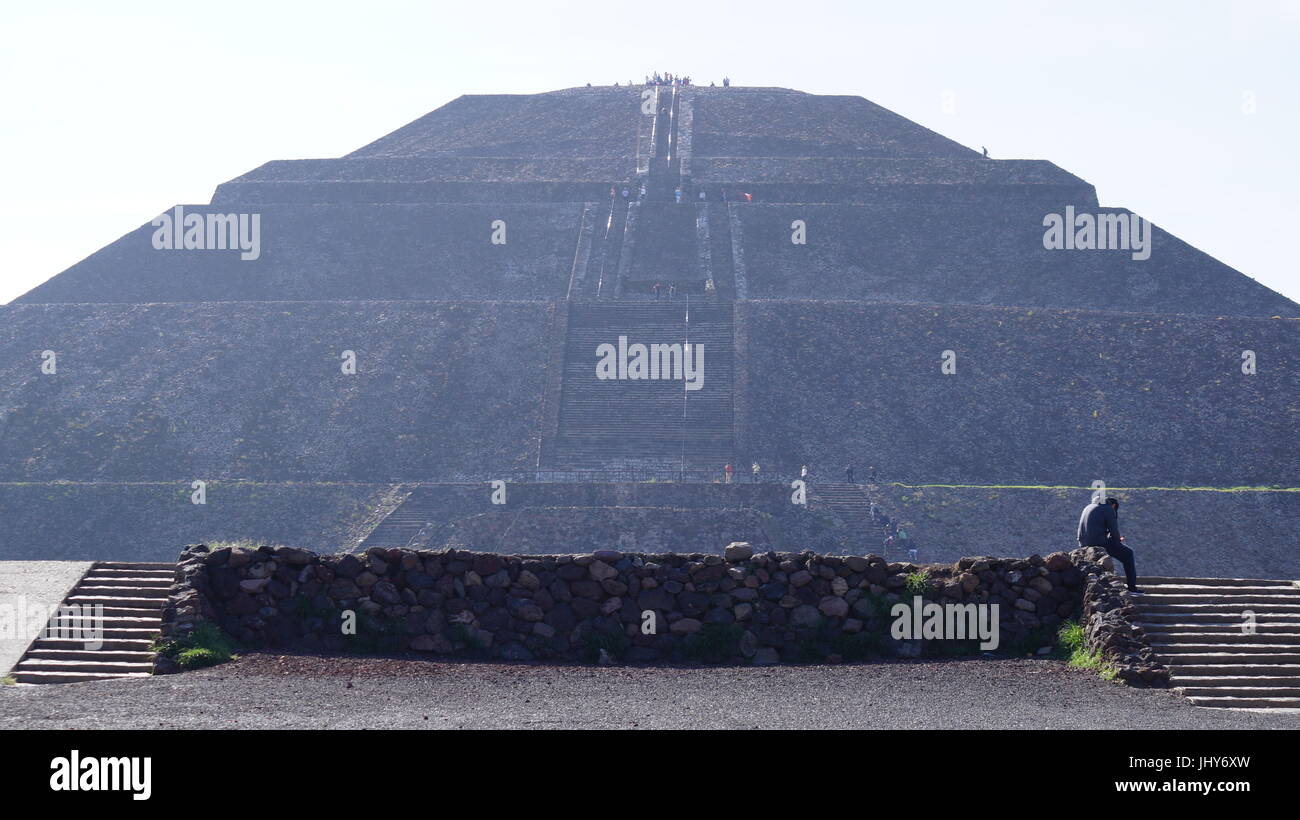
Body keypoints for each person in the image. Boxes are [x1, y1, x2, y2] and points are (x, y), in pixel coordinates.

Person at [1078, 496, 1142, 592]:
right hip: (1098, 542)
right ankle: (1132, 587)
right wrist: (1117, 540)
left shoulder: (1088, 507)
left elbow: (1094, 528)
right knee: (1128, 554)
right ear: (1114, 505)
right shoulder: (1108, 509)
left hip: (1083, 542)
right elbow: (1114, 530)